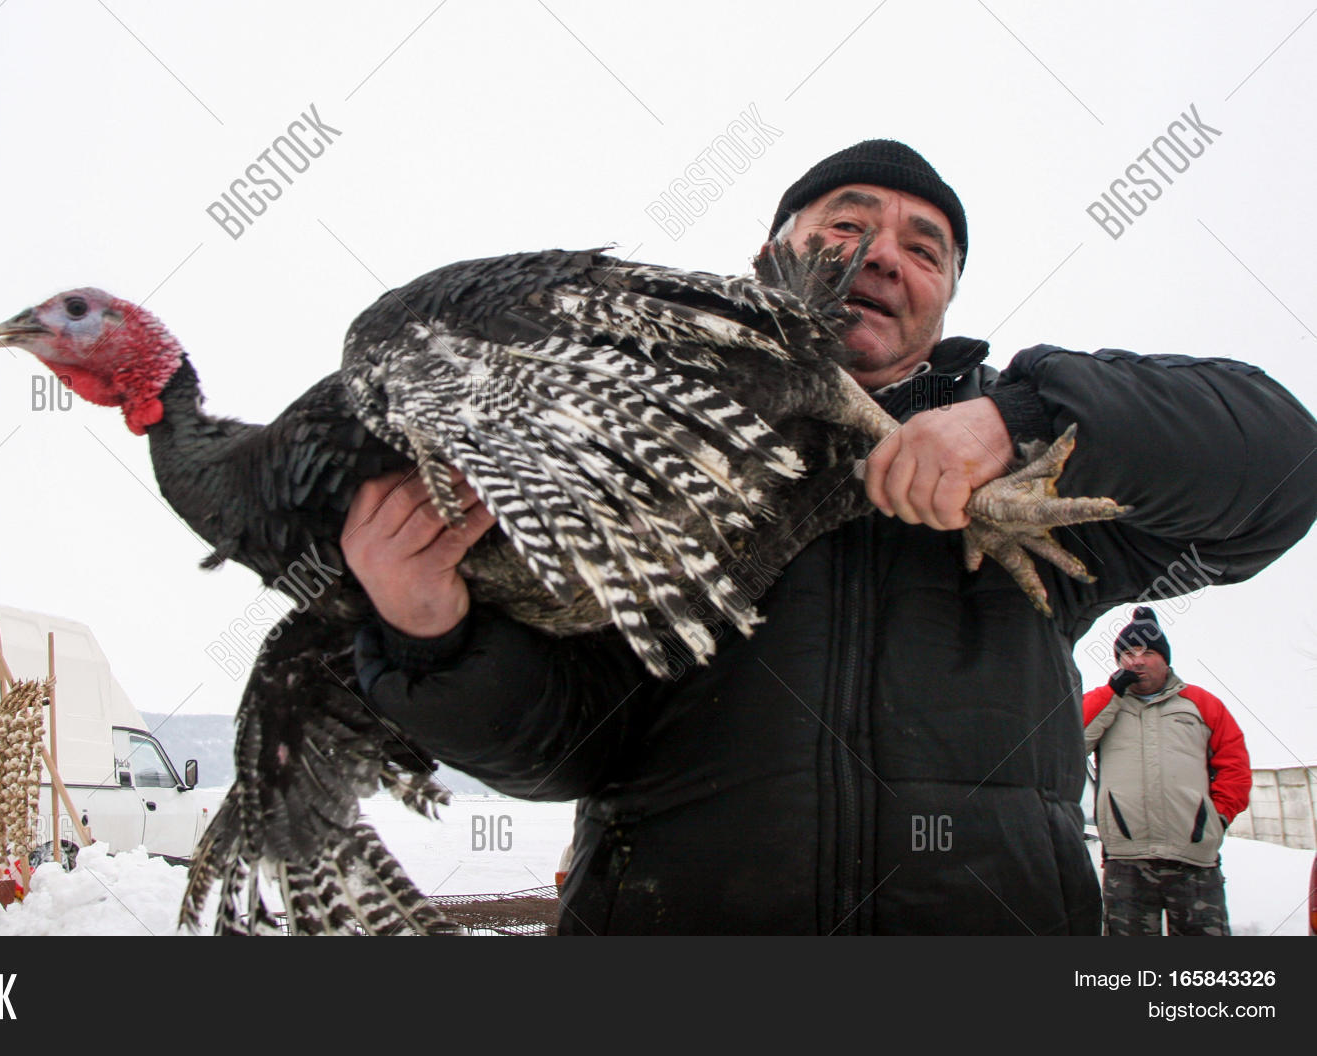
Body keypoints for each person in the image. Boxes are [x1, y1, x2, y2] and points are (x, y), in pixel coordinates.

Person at [340, 139, 1317, 934]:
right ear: (770, 256)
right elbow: (557, 751)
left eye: (924, 248)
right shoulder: (625, 452)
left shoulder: (1035, 482)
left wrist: (1021, 421)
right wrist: (432, 636)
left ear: (943, 302)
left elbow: (1282, 470)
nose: (884, 254)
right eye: (847, 224)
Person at [1083, 607, 1250, 935]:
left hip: (1194, 860)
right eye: (1128, 653)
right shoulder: (1105, 704)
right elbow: (1068, 744)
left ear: (1166, 660)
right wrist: (1110, 694)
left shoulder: (1202, 704)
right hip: (1126, 862)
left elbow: (1235, 767)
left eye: (1148, 652)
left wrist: (1216, 820)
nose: (1137, 661)